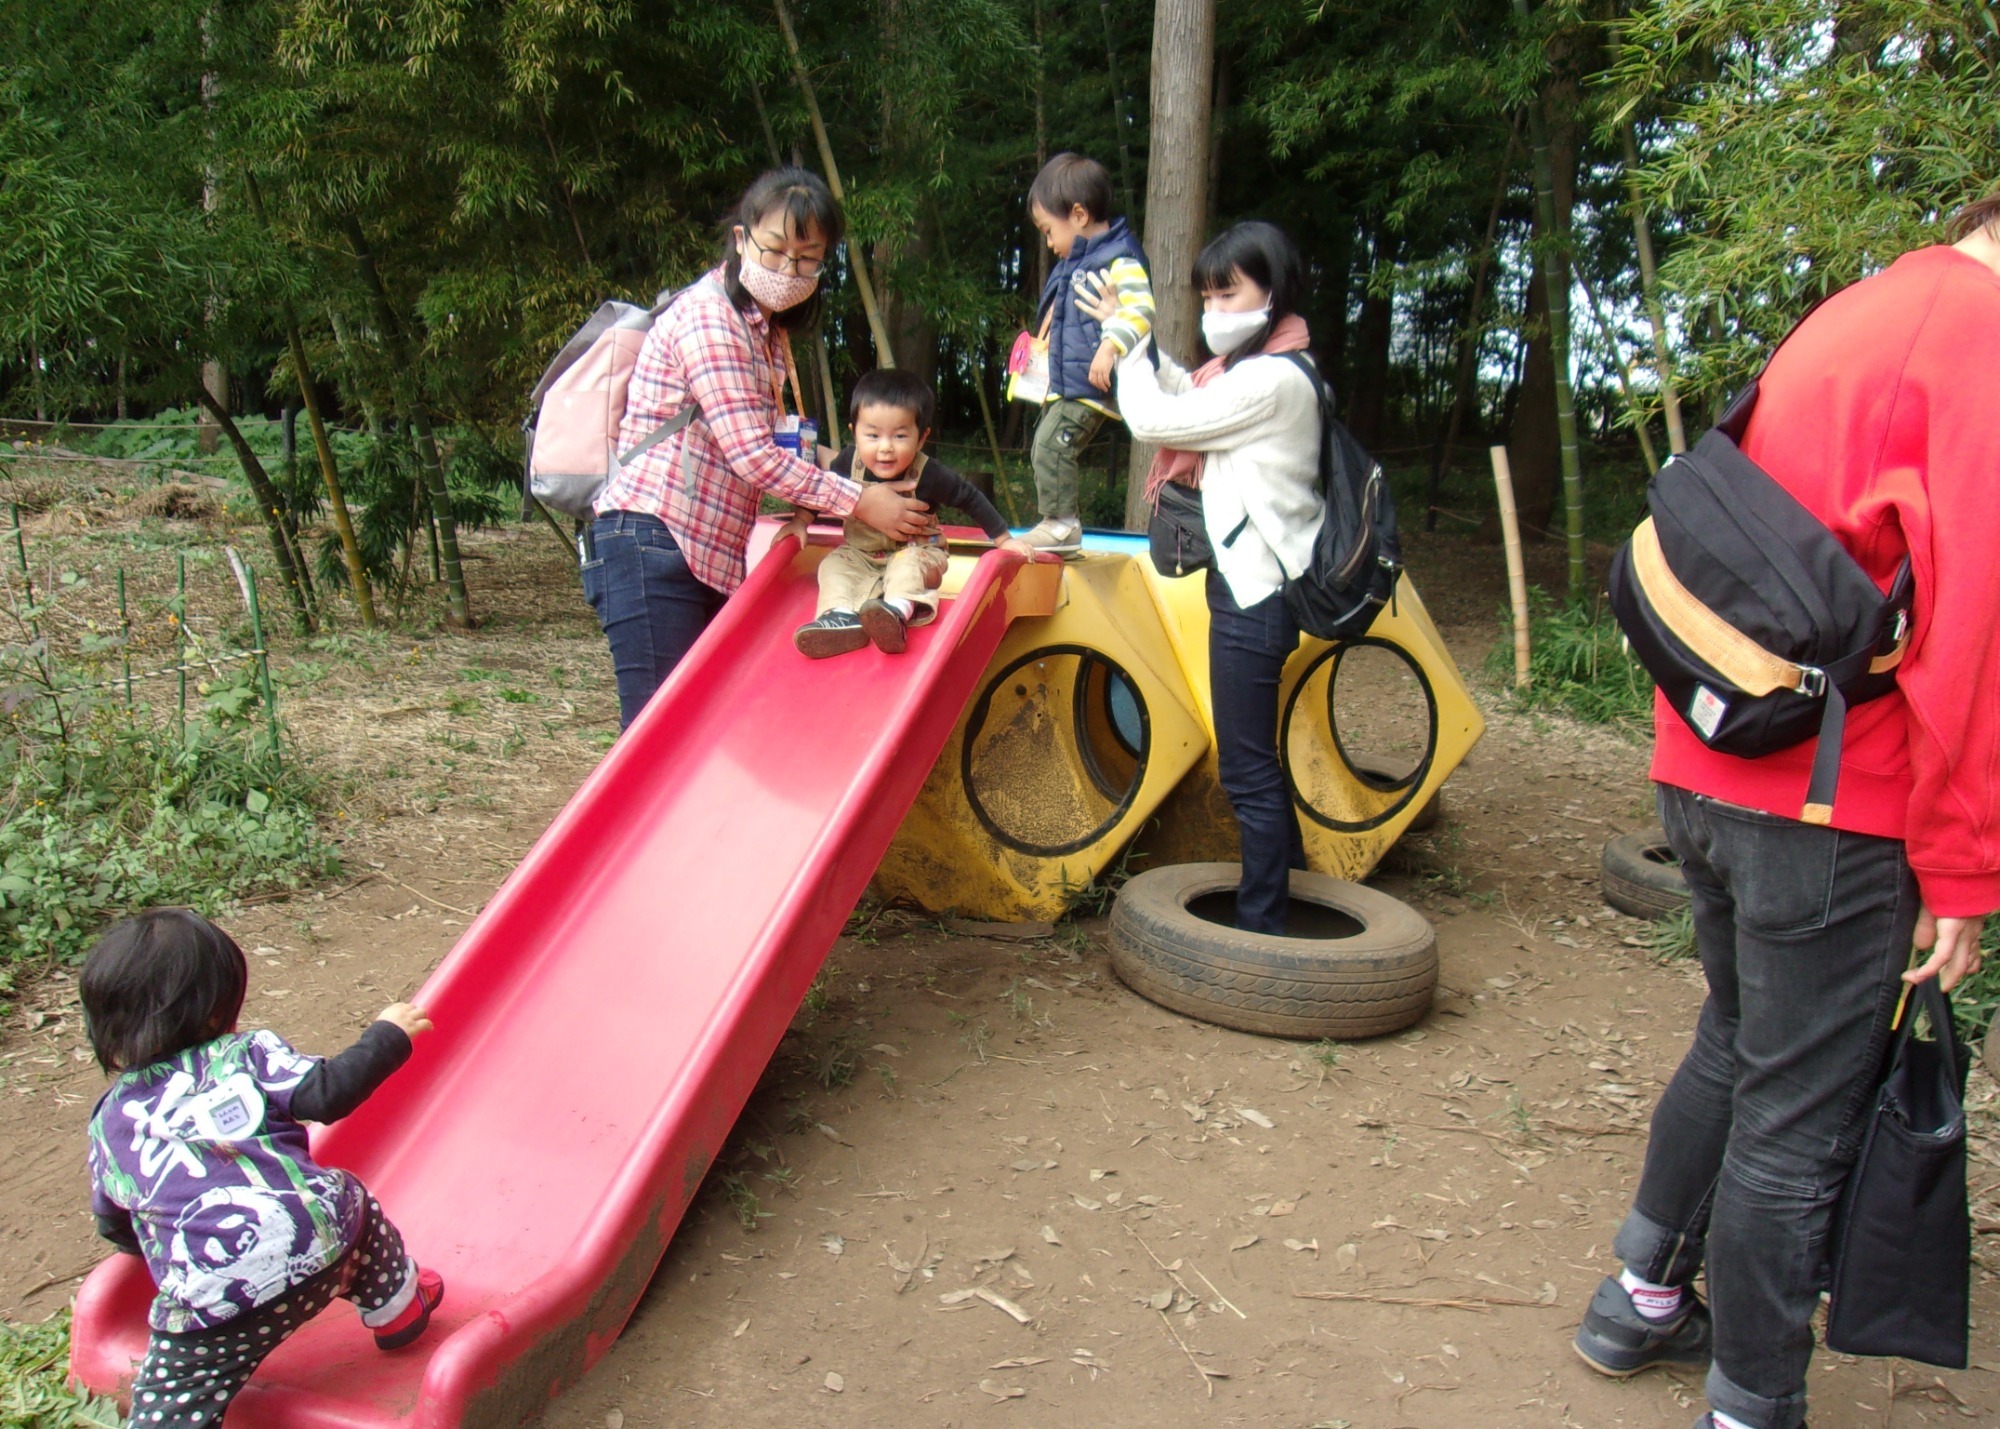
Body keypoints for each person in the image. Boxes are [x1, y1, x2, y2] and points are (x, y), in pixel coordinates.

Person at [1572, 190, 2000, 1429]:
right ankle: (1751, 1402)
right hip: (1827, 797)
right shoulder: (1975, 342)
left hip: (1703, 761)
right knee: (1796, 1112)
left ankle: (1640, 1295)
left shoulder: (1859, 306)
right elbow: (1966, 642)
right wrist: (1965, 875)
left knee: (1737, 1039)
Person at [586, 167, 930, 727]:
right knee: (656, 734)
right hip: (652, 539)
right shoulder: (711, 319)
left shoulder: (764, 332)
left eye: (807, 258)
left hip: (695, 553)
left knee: (696, 730)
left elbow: (781, 446)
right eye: (774, 251)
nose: (787, 270)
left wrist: (877, 474)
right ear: (742, 238)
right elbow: (753, 456)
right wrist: (862, 502)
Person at [81, 909, 443, 1429]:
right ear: (216, 1012)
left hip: (217, 1304)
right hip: (322, 1247)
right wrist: (387, 1036)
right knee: (348, 1197)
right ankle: (397, 1305)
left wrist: (146, 1250)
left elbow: (115, 1217)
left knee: (171, 1407)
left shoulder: (112, 1121)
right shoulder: (245, 1053)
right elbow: (327, 1093)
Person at [1085, 220, 1323, 935]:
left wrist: (1122, 349)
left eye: (1231, 294)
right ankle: (1291, 892)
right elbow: (1186, 390)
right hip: (1251, 588)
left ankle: (1263, 929)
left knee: (1248, 769)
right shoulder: (1254, 370)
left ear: (1272, 293)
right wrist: (1139, 343)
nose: (1217, 311)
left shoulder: (1276, 381)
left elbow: (1160, 417)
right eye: (1209, 297)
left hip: (1260, 596)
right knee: (1258, 761)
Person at [786, 369, 1035, 658]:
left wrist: (1003, 539)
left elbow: (969, 497)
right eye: (873, 435)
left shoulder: (928, 472)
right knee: (833, 564)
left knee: (907, 566)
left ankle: (895, 614)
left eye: (900, 435)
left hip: (918, 552)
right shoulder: (847, 463)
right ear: (855, 433)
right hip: (863, 555)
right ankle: (841, 617)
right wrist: (800, 521)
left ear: (920, 438)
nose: (885, 448)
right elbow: (823, 491)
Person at [1020, 152, 1156, 553]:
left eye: (1048, 230)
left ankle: (1061, 525)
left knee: (1051, 446)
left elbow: (1141, 310)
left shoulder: (1119, 259)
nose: (1048, 242)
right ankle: (1059, 521)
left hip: (1092, 384)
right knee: (1046, 443)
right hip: (1070, 383)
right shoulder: (1076, 263)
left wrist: (1110, 346)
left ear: (1078, 215)